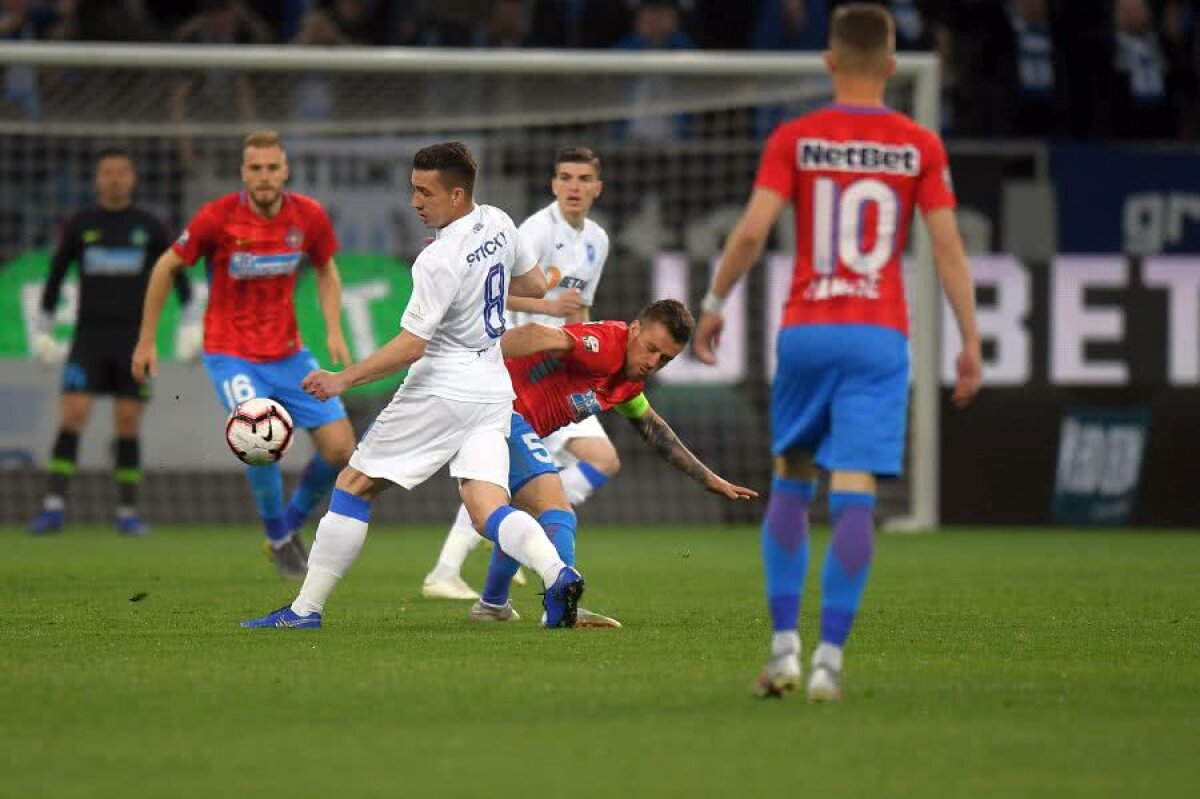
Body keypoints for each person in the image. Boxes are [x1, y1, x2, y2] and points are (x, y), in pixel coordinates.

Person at [692, 3, 982, 702]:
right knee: (855, 494)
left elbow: (752, 232)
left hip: (807, 329)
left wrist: (713, 303)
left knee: (791, 477)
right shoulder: (919, 144)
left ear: (829, 61)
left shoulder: (797, 137)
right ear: (890, 66)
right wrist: (970, 339)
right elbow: (946, 246)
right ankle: (829, 662)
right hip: (880, 335)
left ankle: (783, 649)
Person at [240, 142, 586, 631]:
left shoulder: (437, 259)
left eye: (425, 192)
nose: (415, 202)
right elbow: (532, 286)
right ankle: (558, 573)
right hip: (491, 390)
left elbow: (410, 347)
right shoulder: (500, 222)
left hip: (442, 388)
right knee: (488, 508)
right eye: (413, 190)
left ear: (458, 194)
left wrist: (343, 378)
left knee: (353, 485)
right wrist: (480, 277)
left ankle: (304, 611)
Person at [131, 130, 356, 579]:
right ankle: (279, 539)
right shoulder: (217, 218)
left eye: (273, 167)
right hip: (230, 353)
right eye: (256, 168)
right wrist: (147, 339)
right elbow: (165, 265)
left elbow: (327, 267)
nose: (265, 176)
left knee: (341, 448)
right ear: (243, 173)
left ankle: (289, 526)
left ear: (285, 170)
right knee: (259, 440)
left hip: (289, 354)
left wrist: (333, 327)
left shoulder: (308, 216)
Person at [466, 302, 758, 627]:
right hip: (499, 410)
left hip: (501, 417)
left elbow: (653, 428)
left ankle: (492, 605)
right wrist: (477, 358)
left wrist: (707, 478)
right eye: (651, 349)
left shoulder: (627, 380)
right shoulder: (606, 345)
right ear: (635, 329)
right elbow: (536, 334)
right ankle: (562, 609)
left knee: (527, 516)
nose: (652, 362)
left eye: (665, 359)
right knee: (557, 508)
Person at [422, 146, 614, 600]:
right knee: (505, 475)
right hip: (517, 365)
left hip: (559, 369)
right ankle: (461, 566)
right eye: (565, 177)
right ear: (553, 184)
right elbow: (494, 291)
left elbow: (581, 306)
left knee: (596, 460)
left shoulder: (598, 241)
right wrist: (547, 307)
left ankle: (512, 543)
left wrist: (585, 356)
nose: (574, 186)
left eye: (583, 179)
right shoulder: (535, 231)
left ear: (597, 188)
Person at [28, 147, 197, 537]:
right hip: (88, 339)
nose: (115, 179)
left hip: (136, 343)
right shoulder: (80, 225)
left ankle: (127, 511)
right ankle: (53, 507)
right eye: (108, 172)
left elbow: (178, 274)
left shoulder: (151, 226)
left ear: (133, 178)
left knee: (127, 422)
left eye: (123, 171)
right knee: (72, 415)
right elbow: (55, 276)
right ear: (97, 178)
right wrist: (43, 331)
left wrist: (190, 323)